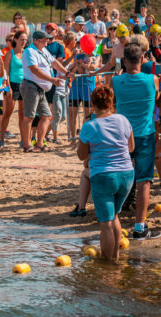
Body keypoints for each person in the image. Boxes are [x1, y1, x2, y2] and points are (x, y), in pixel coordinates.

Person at [76, 86, 134, 261]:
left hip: (103, 176)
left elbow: (81, 155)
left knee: (106, 223)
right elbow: (131, 147)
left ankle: (108, 265)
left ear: (93, 104)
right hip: (126, 174)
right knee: (114, 216)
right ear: (111, 103)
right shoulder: (123, 120)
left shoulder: (89, 126)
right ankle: (115, 259)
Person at [112, 43, 161, 240]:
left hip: (122, 135)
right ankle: (139, 227)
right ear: (142, 60)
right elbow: (157, 99)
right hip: (145, 135)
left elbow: (111, 102)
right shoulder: (152, 79)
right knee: (144, 181)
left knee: (122, 176)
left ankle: (112, 221)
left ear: (124, 60)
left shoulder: (115, 81)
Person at [20, 30, 68, 152]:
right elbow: (34, 70)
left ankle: (40, 144)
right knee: (29, 117)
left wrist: (66, 72)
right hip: (31, 86)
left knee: (47, 116)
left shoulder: (42, 50)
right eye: (44, 40)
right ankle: (27, 145)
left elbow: (54, 62)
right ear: (36, 40)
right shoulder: (29, 52)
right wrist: (52, 79)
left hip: (39, 88)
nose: (47, 42)